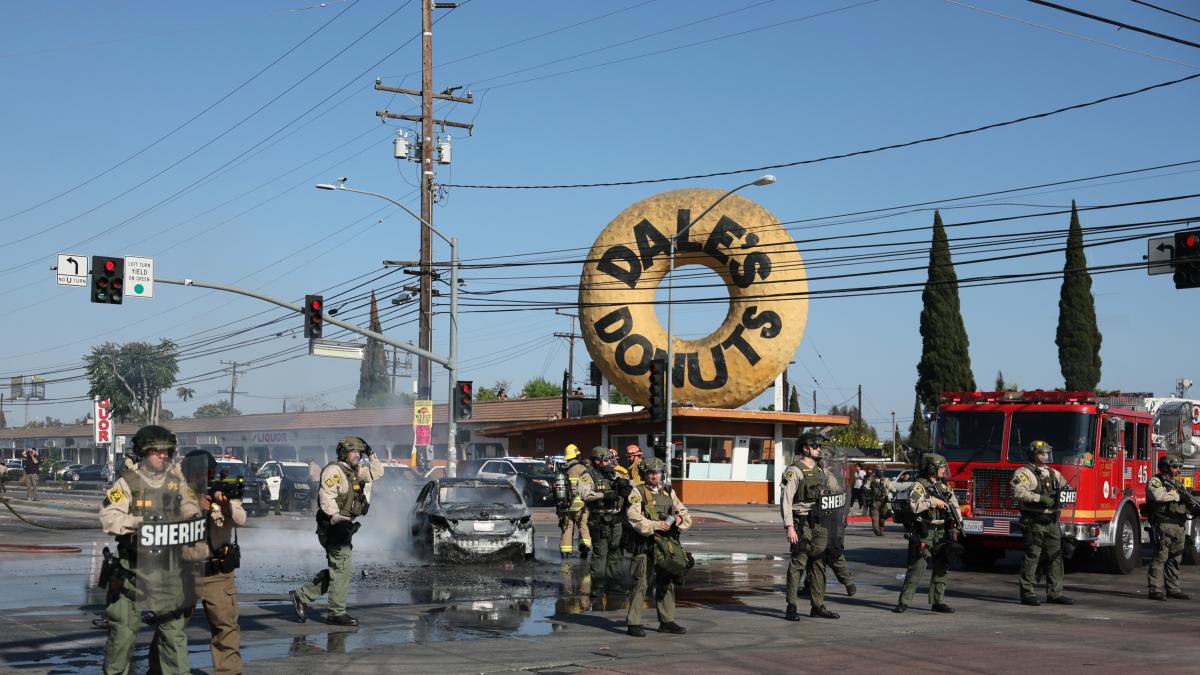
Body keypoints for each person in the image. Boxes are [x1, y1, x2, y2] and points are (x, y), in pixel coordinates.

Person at [100, 425, 202, 675]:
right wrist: (138, 522)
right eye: (157, 451)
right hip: (131, 571)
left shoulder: (177, 483)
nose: (163, 455)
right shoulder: (125, 484)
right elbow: (108, 519)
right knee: (122, 635)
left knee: (173, 636)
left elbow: (193, 513)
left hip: (168, 572)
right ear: (143, 453)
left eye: (167, 451)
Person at [289, 436, 384, 626]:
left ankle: (302, 596)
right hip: (332, 526)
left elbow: (377, 472)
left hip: (343, 527)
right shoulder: (335, 471)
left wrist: (371, 452)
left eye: (359, 452)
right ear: (344, 453)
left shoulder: (355, 470)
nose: (357, 455)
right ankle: (336, 613)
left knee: (339, 569)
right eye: (354, 451)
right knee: (341, 569)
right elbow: (326, 498)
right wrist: (337, 519)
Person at [179, 450, 247, 674]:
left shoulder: (222, 490)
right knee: (172, 627)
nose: (202, 476)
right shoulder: (177, 494)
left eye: (206, 472)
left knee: (225, 628)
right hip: (185, 571)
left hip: (217, 572)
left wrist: (225, 507)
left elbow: (240, 518)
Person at [625, 458, 691, 637]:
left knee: (666, 582)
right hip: (646, 545)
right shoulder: (637, 492)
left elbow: (684, 513)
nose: (655, 476)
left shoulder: (669, 491)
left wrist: (679, 520)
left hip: (666, 547)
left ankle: (667, 621)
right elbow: (634, 517)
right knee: (641, 583)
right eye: (651, 473)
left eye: (658, 472)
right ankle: (633, 622)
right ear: (645, 474)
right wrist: (655, 525)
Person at [780, 432, 839, 621]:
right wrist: (789, 526)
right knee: (798, 563)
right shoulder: (794, 470)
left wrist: (828, 472)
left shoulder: (821, 469)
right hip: (802, 521)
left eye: (820, 446)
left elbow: (836, 489)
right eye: (816, 446)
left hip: (820, 522)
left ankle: (818, 605)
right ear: (805, 448)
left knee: (819, 564)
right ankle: (791, 605)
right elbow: (786, 501)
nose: (819, 449)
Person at [1011, 440, 1074, 606]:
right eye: (1041, 453)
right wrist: (1040, 498)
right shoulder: (1024, 472)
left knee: (1055, 557)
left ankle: (1055, 593)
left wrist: (1067, 494)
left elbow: (1067, 488)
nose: (1045, 456)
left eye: (1046, 453)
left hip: (1052, 521)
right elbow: (1019, 492)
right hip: (1034, 521)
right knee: (1033, 557)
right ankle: (1027, 593)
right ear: (1033, 454)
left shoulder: (1053, 473)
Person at [894, 453, 959, 614]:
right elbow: (914, 506)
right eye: (941, 467)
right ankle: (904, 602)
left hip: (942, 531)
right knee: (917, 567)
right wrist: (932, 502)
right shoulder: (919, 486)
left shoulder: (944, 486)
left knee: (943, 565)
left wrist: (958, 519)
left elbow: (954, 503)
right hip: (925, 530)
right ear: (932, 468)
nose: (944, 470)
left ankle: (938, 601)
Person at [577, 446, 626, 588]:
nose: (610, 463)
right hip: (599, 519)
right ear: (597, 461)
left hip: (616, 519)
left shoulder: (614, 474)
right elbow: (583, 494)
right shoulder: (588, 475)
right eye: (606, 460)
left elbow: (630, 487)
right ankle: (598, 586)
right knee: (600, 553)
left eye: (611, 459)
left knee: (615, 552)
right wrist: (603, 495)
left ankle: (614, 584)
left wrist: (625, 488)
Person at [1146, 453, 1191, 601]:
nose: (1178, 469)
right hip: (1163, 525)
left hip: (1178, 525)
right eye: (1175, 467)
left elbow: (1184, 501)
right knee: (1160, 557)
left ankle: (1173, 589)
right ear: (1165, 467)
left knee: (1175, 558)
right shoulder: (1156, 481)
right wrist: (1176, 496)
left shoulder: (1177, 484)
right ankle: (1155, 589)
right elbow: (1158, 496)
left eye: (1179, 467)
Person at [558, 444, 591, 559]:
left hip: (566, 505)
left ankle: (565, 551)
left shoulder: (564, 469)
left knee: (567, 527)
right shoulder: (582, 469)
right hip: (579, 504)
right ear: (577, 455)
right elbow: (588, 486)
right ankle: (585, 547)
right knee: (582, 525)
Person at [865, 469, 892, 536]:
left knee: (874, 517)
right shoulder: (886, 480)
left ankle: (876, 529)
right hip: (883, 502)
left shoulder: (871, 480)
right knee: (882, 517)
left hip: (874, 502)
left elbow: (865, 487)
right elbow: (892, 489)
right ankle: (881, 530)